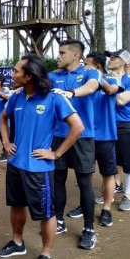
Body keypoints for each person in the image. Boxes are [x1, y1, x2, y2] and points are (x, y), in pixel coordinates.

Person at [0, 54, 83, 259]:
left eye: (16, 71)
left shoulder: (54, 98)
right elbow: (3, 117)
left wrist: (56, 153)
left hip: (39, 169)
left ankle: (46, 253)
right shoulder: (16, 96)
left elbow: (78, 127)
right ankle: (18, 243)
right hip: (16, 164)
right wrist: (6, 142)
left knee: (46, 213)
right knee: (16, 205)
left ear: (29, 76)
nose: (12, 74)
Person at [49, 40, 99, 249]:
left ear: (76, 55)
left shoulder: (89, 72)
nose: (58, 56)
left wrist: (71, 93)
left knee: (84, 182)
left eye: (61, 52)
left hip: (82, 136)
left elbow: (91, 87)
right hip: (58, 136)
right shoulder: (53, 76)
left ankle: (89, 229)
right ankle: (59, 221)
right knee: (58, 179)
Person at [67, 52, 121, 226]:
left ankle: (106, 209)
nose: (83, 66)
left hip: (105, 136)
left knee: (108, 174)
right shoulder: (83, 83)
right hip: (85, 136)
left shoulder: (111, 80)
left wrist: (97, 77)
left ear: (97, 66)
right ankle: (85, 205)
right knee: (85, 173)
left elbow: (111, 90)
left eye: (87, 64)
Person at [110, 49, 130, 211]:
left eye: (115, 58)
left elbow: (121, 101)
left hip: (125, 124)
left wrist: (113, 86)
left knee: (128, 161)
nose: (110, 60)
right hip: (108, 124)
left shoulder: (128, 80)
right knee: (113, 159)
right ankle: (116, 184)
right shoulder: (107, 79)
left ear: (123, 62)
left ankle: (128, 195)